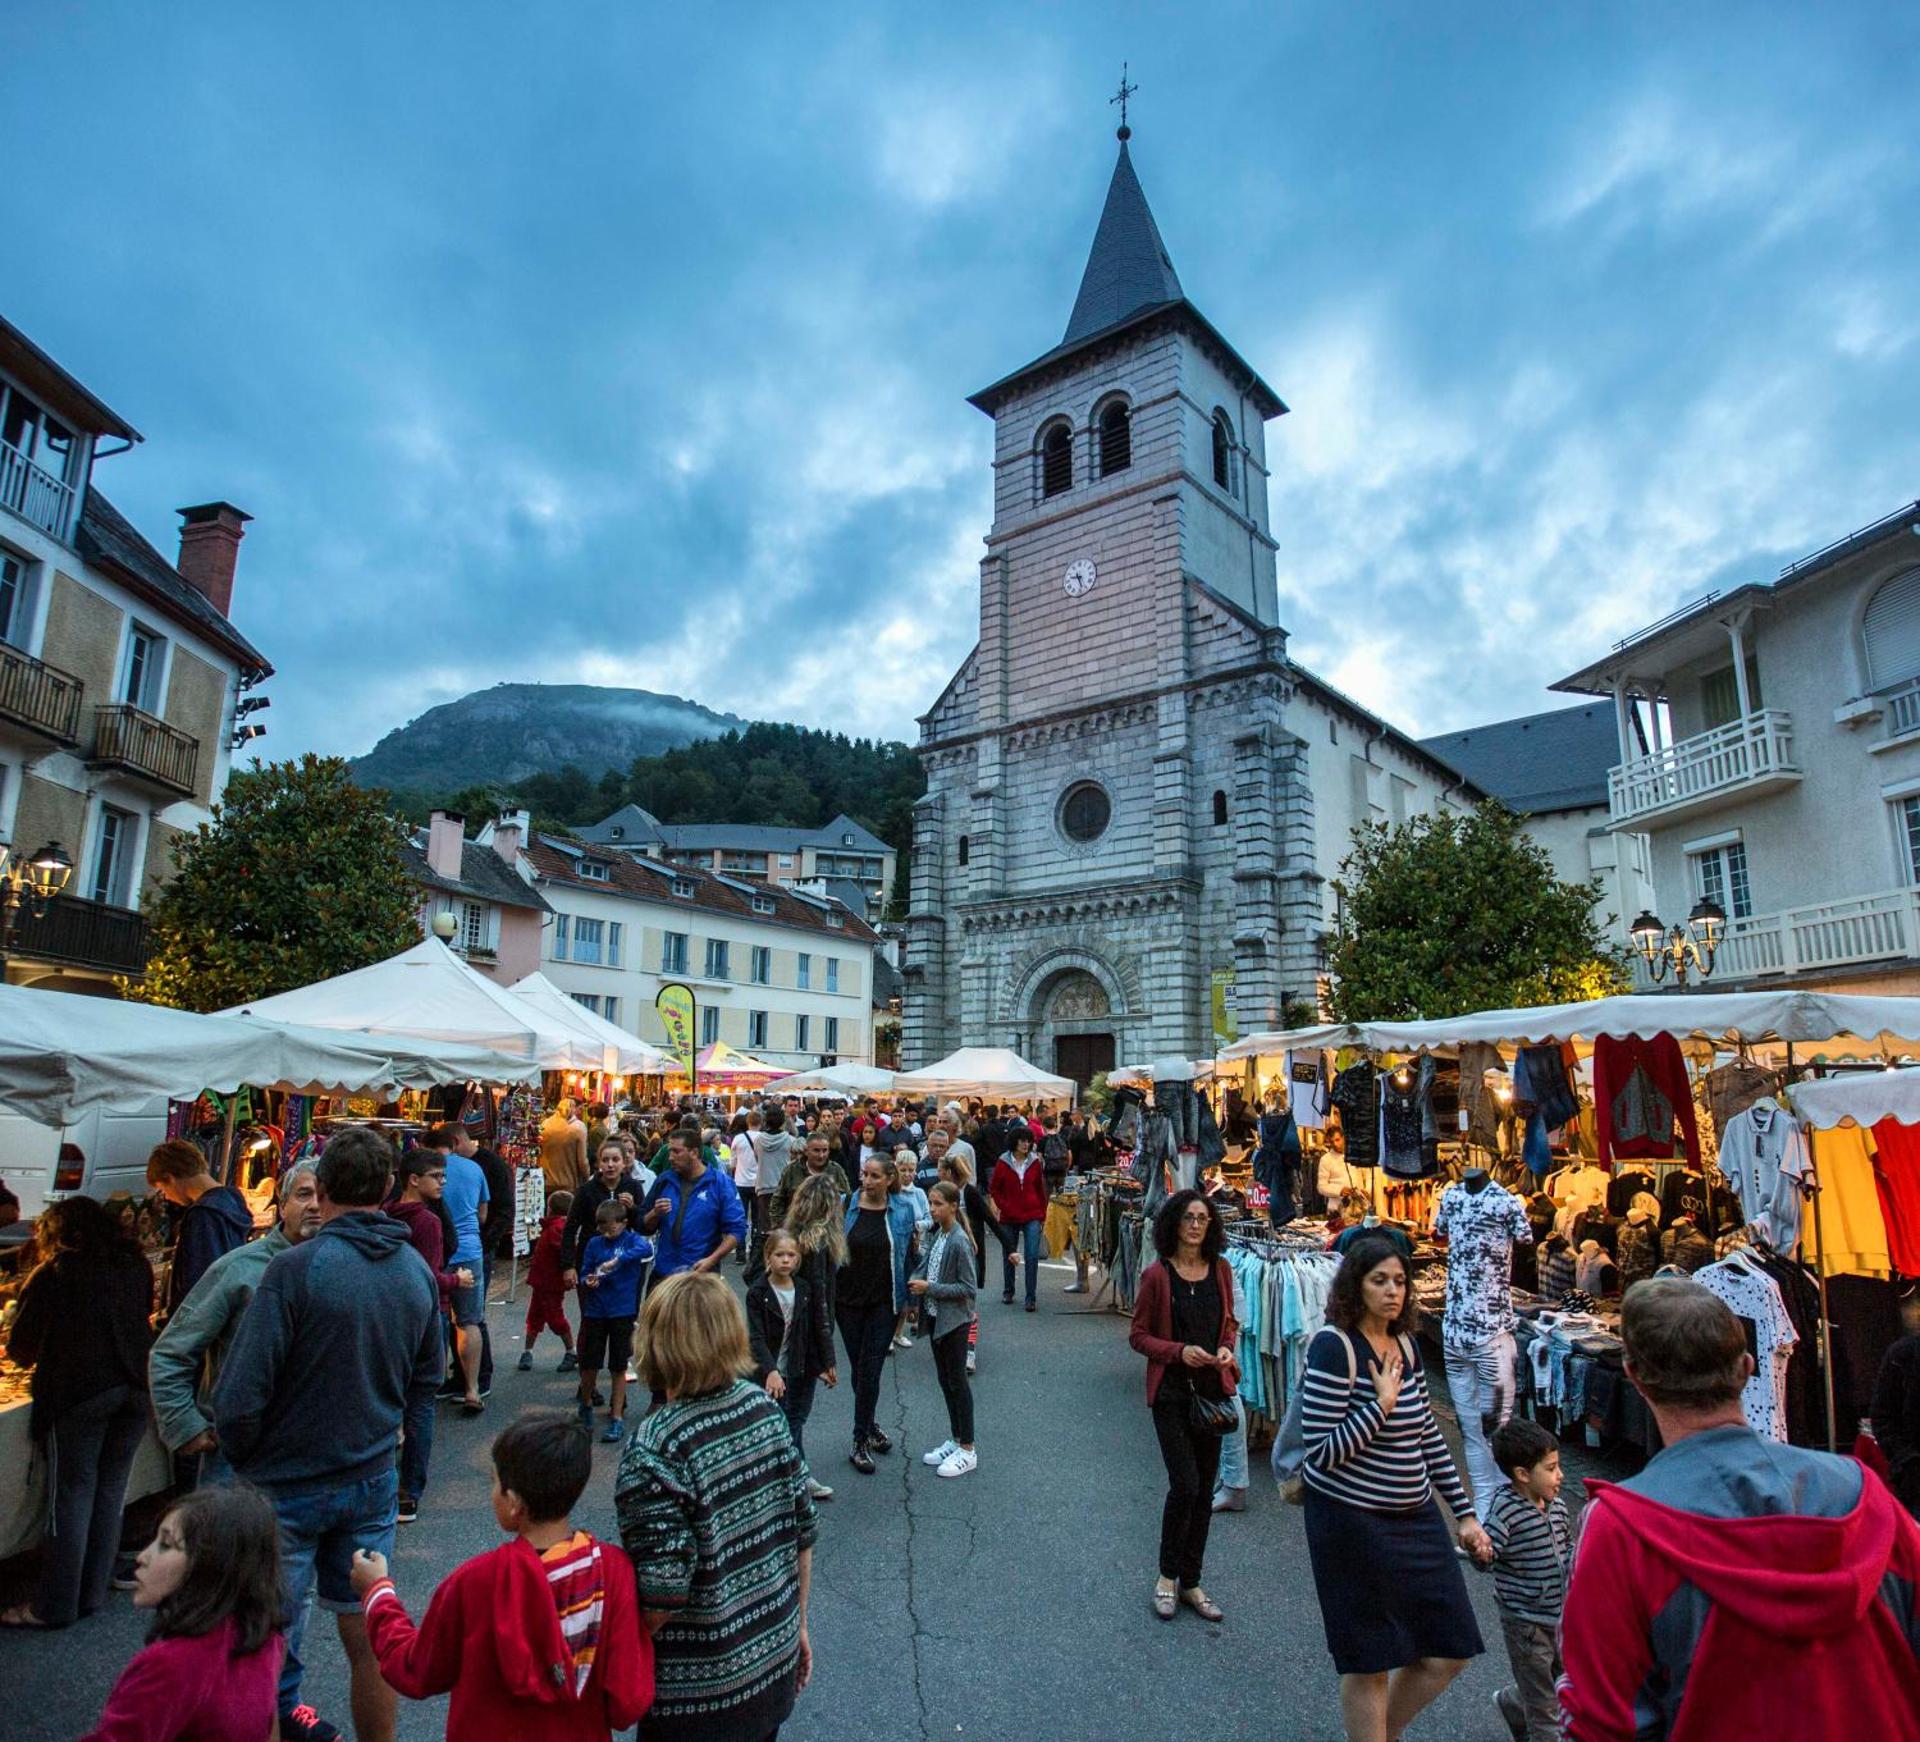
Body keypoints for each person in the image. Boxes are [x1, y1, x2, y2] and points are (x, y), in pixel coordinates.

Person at [1559, 1278, 1920, 1740]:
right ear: (1748, 1366)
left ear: (1634, 1376)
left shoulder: (1622, 1531)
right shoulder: (1864, 1495)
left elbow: (1597, 1721)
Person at [211, 1124, 444, 1742]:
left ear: (327, 1189)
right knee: (370, 1635)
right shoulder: (415, 1274)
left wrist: (246, 1458)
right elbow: (429, 1382)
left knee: (261, 1642)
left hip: (284, 1483)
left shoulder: (295, 1269)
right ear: (389, 1187)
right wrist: (395, 1443)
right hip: (369, 1478)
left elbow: (237, 1396)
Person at [351, 1411, 653, 1741]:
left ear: (513, 1503)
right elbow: (629, 1702)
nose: (492, 1491)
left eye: (494, 1482)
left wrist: (377, 1593)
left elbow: (416, 1670)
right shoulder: (613, 1572)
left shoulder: (474, 1582)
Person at [1297, 1232, 1490, 1742]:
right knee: (1369, 1661)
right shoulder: (1333, 1348)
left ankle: (1383, 1734)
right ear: (1355, 1287)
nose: (1393, 1292)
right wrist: (1380, 1405)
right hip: (1350, 1521)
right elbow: (1321, 1451)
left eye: (1400, 1281)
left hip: (1415, 1516)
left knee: (1449, 1649)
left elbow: (1428, 1433)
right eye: (1379, 1280)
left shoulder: (1406, 1345)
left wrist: (1465, 1514)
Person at [615, 1271, 817, 1741]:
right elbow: (802, 1531)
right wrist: (800, 1625)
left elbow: (662, 1594)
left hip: (696, 1698)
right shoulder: (762, 1408)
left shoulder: (657, 1447)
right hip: (773, 1662)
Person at [0, 1196, 154, 1631]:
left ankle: (55, 1604)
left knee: (72, 1496)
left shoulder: (56, 1272)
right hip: (134, 1387)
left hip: (82, 1392)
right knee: (110, 1492)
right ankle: (91, 1592)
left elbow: (21, 1349)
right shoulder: (133, 1264)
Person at [150, 1160, 323, 1489]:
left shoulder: (339, 1266)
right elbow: (172, 1350)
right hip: (239, 1457)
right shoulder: (240, 1269)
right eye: (303, 1194)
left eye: (321, 1196)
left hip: (312, 1454)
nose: (314, 1205)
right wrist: (184, 1425)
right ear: (282, 1205)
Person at [79, 1485, 284, 1742]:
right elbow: (269, 1725)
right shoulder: (264, 1636)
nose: (142, 1557)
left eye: (165, 1545)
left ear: (209, 1567)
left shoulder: (168, 1665)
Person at [1127, 1189, 1238, 1624]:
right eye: (1189, 1217)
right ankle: (1167, 1577)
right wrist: (1177, 1351)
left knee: (1205, 1488)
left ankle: (1192, 1580)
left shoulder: (1222, 1270)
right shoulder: (1157, 1276)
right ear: (1174, 1223)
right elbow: (1138, 1336)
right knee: (1186, 1485)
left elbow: (1228, 1324)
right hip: (1172, 1393)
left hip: (1211, 1392)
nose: (1195, 1225)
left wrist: (1226, 1350)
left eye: (1203, 1218)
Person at [387, 1148, 470, 1521]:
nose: (443, 1183)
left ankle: (387, 1481)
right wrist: (458, 1280)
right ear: (413, 1180)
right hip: (427, 1316)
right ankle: (409, 1491)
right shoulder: (426, 1222)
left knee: (392, 1399)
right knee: (421, 1402)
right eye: (436, 1176)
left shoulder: (387, 1214)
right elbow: (427, 1276)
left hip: (391, 1315)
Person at [1478, 1418, 1571, 1742]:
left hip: (1559, 1617)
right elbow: (1489, 1555)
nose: (1560, 1476)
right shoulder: (1505, 1510)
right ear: (1522, 1474)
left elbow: (1568, 1549)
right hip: (1525, 1623)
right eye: (1552, 1468)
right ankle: (1530, 1715)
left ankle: (1513, 1703)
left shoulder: (1557, 1506)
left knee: (1565, 1685)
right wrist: (1480, 1549)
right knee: (1544, 1707)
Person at [838, 1152, 917, 1474]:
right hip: (847, 1300)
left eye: (873, 1176)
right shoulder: (846, 1205)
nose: (866, 1181)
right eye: (864, 1175)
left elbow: (910, 1257)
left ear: (888, 1179)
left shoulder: (903, 1210)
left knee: (871, 1370)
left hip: (885, 1301)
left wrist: (911, 1301)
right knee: (859, 1369)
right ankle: (869, 1424)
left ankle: (858, 1441)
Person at [748, 1229, 837, 1492]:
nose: (785, 1260)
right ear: (768, 1256)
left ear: (798, 1259)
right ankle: (797, 1477)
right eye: (779, 1255)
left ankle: (791, 1475)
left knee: (796, 1419)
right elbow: (756, 1338)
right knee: (780, 1423)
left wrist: (823, 1364)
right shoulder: (758, 1292)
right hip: (774, 1373)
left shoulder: (804, 1289)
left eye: (791, 1255)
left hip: (801, 1368)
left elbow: (813, 1329)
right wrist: (770, 1371)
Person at [782, 1173, 846, 1502]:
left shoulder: (787, 1239)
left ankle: (793, 1472)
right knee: (794, 1412)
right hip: (803, 1340)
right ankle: (796, 1477)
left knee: (785, 1409)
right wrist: (828, 1356)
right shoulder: (817, 1244)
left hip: (782, 1334)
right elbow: (820, 1300)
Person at [909, 1181, 979, 1478]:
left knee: (957, 1383)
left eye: (938, 1204)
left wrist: (930, 1288)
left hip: (954, 1321)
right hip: (937, 1319)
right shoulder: (940, 1234)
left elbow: (968, 1288)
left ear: (953, 1206)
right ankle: (956, 1437)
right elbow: (926, 1265)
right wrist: (917, 1281)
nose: (933, 1209)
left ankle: (968, 1447)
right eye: (931, 1203)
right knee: (946, 1380)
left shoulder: (959, 1241)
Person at [423, 1122, 490, 1415]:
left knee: (433, 1318)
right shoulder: (474, 1168)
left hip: (434, 1249)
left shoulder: (425, 1172)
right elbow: (482, 1213)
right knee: (468, 1320)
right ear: (453, 1142)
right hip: (469, 1249)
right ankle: (472, 1389)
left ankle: (429, 1385)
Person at [147, 1138, 253, 1319]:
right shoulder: (234, 1199)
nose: (168, 1197)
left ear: (170, 1178)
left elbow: (199, 1281)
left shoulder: (203, 1215)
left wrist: (173, 1320)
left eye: (163, 1190)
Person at [576, 1199, 652, 1442]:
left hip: (622, 1310)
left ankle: (617, 1415)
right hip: (596, 1310)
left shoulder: (631, 1240)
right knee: (590, 1363)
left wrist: (618, 1261)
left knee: (618, 1365)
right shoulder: (594, 1243)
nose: (606, 1233)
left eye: (611, 1228)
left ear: (624, 1223)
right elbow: (585, 1271)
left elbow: (646, 1249)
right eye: (602, 1227)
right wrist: (588, 1279)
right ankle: (586, 1404)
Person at [642, 1128, 747, 1281]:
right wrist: (654, 1214)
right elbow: (643, 1225)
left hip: (701, 1275)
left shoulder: (720, 1184)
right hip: (664, 1273)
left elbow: (737, 1230)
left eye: (676, 1152)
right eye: (670, 1151)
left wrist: (711, 1260)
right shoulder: (664, 1180)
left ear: (694, 1153)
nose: (670, 1157)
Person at [559, 1140, 646, 1285]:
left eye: (615, 1160)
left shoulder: (633, 1187)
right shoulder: (586, 1191)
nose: (610, 1165)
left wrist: (633, 1208)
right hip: (591, 1259)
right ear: (598, 1164)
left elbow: (642, 1226)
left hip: (622, 1260)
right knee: (591, 1304)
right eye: (605, 1160)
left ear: (624, 1163)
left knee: (622, 1306)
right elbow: (570, 1228)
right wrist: (568, 1265)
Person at [989, 1127, 1049, 1311]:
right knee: (1009, 1254)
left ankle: (1031, 1297)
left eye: (1028, 1141)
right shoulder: (1003, 1162)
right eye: (1022, 1140)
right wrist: (1003, 1206)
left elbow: (1040, 1188)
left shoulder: (1035, 1162)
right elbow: (994, 1189)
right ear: (1014, 1142)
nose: (1025, 1144)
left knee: (1032, 1256)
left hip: (1032, 1214)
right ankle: (1008, 1290)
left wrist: (1042, 1212)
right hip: (1009, 1215)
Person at [522, 1188, 578, 1373]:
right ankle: (527, 1351)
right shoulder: (553, 1227)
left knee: (554, 1318)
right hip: (543, 1282)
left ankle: (571, 1350)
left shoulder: (556, 1228)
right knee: (535, 1316)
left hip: (549, 1282)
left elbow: (563, 1250)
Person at [890, 1149, 933, 1350]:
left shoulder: (919, 1193)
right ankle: (887, 1335)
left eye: (911, 1170)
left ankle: (898, 1333)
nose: (907, 1174)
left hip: (915, 1248)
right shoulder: (891, 1194)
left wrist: (917, 1226)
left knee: (909, 1292)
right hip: (894, 1248)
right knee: (893, 1290)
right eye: (903, 1169)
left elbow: (929, 1218)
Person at [768, 1130, 851, 1229]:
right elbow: (778, 1201)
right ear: (806, 1151)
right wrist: (781, 1227)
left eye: (825, 1150)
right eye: (816, 1150)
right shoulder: (791, 1170)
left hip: (828, 1232)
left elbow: (847, 1200)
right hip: (796, 1231)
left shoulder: (836, 1171)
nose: (821, 1155)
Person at [748, 1105, 794, 1280]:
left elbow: (757, 1159)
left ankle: (766, 1263)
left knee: (765, 1228)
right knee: (783, 1228)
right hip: (783, 1188)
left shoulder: (758, 1140)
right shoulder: (789, 1140)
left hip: (763, 1187)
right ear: (782, 1121)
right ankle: (784, 1261)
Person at [540, 1099, 590, 1197]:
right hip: (569, 1185)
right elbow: (582, 1161)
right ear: (574, 1109)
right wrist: (587, 1178)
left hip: (546, 1183)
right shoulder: (578, 1128)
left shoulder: (545, 1124)